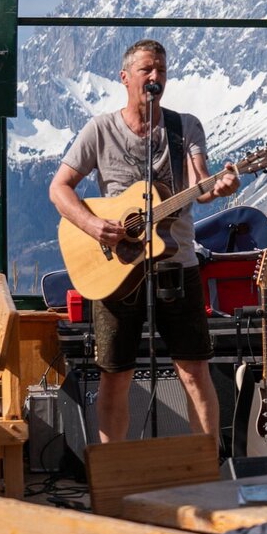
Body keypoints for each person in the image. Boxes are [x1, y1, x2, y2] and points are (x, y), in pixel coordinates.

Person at [49, 39, 239, 444]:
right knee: (115, 374)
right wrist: (93, 225)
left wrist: (220, 186)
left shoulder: (184, 127)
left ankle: (206, 465)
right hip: (115, 270)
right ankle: (114, 469)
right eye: (147, 70)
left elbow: (201, 185)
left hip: (177, 264)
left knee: (194, 370)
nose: (156, 77)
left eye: (162, 71)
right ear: (125, 77)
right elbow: (59, 189)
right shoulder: (100, 130)